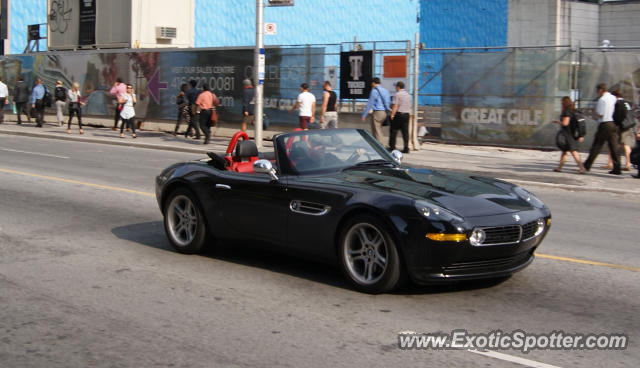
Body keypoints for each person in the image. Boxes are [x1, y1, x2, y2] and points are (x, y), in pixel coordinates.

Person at [583, 83, 621, 175]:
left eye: (597, 91)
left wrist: (594, 114)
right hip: (614, 123)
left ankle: (587, 165)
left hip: (605, 123)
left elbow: (601, 113)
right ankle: (617, 168)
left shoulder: (602, 99)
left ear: (600, 90)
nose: (597, 93)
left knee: (597, 145)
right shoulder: (613, 98)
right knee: (614, 147)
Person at [552, 96, 585, 173]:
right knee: (564, 151)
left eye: (562, 103)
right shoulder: (573, 110)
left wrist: (558, 122)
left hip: (568, 134)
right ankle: (559, 168)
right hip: (571, 133)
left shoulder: (567, 112)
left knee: (573, 152)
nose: (561, 104)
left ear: (564, 103)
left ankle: (582, 168)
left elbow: (565, 123)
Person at [602, 90, 634, 171]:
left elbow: (617, 116)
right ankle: (627, 162)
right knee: (625, 145)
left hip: (621, 127)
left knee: (614, 144)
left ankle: (614, 163)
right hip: (629, 125)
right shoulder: (626, 103)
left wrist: (615, 124)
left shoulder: (618, 103)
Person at [361, 77, 391, 142]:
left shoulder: (374, 91)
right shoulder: (385, 91)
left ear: (373, 83)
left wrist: (364, 115)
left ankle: (380, 146)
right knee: (379, 129)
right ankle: (380, 144)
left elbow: (370, 104)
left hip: (377, 112)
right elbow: (388, 102)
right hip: (384, 112)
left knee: (376, 130)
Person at [389, 81, 411, 153]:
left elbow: (395, 106)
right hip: (407, 114)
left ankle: (392, 147)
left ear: (398, 87)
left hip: (399, 114)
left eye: (396, 87)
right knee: (405, 132)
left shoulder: (397, 94)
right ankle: (406, 148)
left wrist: (392, 114)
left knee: (394, 130)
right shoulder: (408, 94)